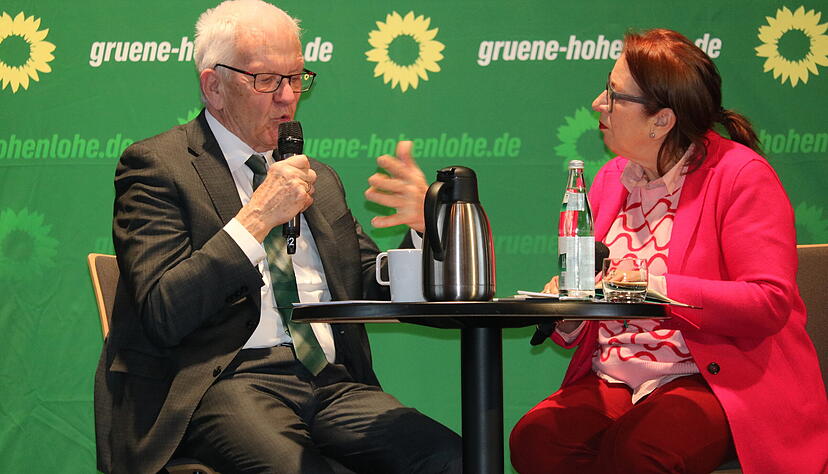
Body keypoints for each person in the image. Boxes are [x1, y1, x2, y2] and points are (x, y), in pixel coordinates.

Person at [93, 1, 461, 473]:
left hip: (329, 381)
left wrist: (421, 235)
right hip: (226, 382)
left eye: (296, 78)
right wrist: (255, 220)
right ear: (214, 87)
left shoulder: (317, 179)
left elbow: (366, 282)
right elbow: (165, 310)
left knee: (454, 459)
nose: (287, 97)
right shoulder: (158, 167)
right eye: (266, 80)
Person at [509, 29, 827, 474]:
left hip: (715, 377)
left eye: (614, 96)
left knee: (640, 451)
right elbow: (598, 295)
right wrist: (570, 310)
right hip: (617, 375)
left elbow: (768, 302)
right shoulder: (609, 179)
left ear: (661, 121)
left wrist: (655, 289)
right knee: (536, 440)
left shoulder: (741, 176)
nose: (598, 104)